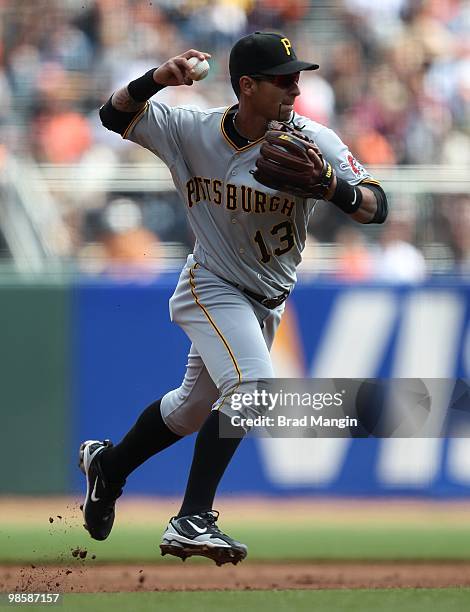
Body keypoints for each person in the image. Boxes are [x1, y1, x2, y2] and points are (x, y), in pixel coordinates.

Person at [79, 31, 388, 566]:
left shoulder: (313, 141)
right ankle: (192, 518)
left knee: (188, 411)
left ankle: (110, 467)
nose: (295, 88)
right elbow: (112, 115)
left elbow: (376, 206)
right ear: (247, 86)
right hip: (211, 283)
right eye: (282, 79)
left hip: (268, 300)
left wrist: (331, 187)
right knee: (252, 388)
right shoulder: (190, 129)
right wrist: (156, 79)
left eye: (298, 77)